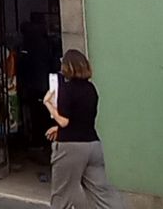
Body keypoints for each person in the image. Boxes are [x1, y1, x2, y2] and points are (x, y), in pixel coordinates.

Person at [42, 49, 119, 209]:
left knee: (61, 194)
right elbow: (82, 118)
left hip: (70, 146)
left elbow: (64, 121)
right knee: (101, 193)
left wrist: (48, 104)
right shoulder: (91, 89)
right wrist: (58, 128)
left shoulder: (67, 90)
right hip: (93, 144)